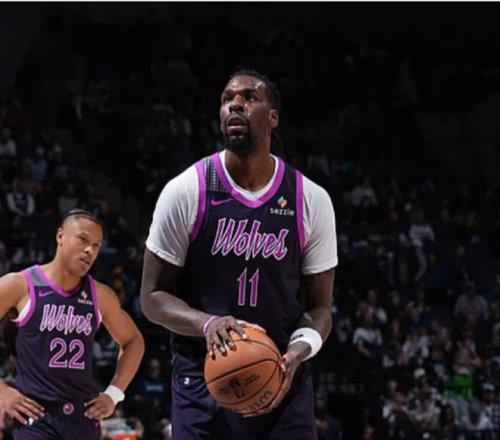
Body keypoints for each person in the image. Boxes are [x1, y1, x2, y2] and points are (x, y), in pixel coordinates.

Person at [141, 69, 337, 439]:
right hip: (204, 379)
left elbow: (320, 309)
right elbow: (151, 297)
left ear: (273, 117)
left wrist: (298, 352)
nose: (235, 104)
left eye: (249, 97)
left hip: (282, 376)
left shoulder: (310, 199)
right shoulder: (187, 190)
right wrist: (207, 324)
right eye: (227, 98)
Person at [0, 209, 145, 439]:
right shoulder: (19, 285)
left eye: (96, 245)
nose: (90, 250)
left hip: (82, 416)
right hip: (35, 416)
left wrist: (113, 394)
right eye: (83, 240)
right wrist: (3, 392)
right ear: (60, 236)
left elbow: (133, 341)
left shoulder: (101, 295)